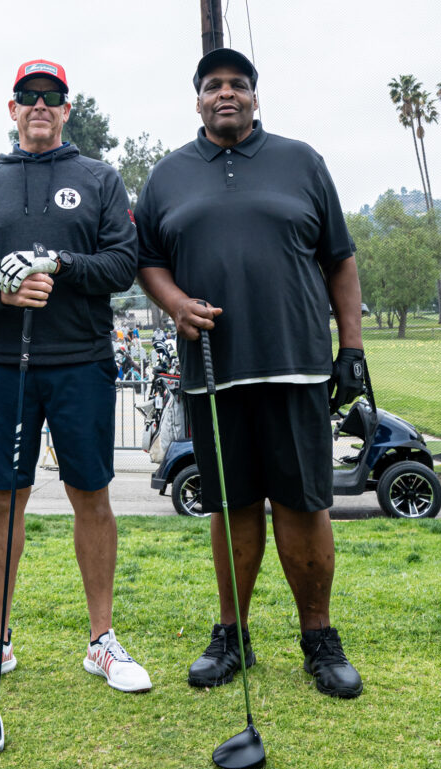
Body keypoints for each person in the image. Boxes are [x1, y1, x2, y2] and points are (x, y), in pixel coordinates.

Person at [136, 48, 364, 699]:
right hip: (213, 372)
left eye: (238, 83)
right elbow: (149, 258)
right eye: (213, 85)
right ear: (199, 99)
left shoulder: (302, 162)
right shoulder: (168, 175)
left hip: (295, 366)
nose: (226, 93)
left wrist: (350, 347)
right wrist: (173, 302)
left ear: (255, 96)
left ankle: (319, 637)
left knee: (304, 504)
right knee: (230, 506)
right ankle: (232, 636)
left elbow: (340, 260)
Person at [0, 58, 151, 695]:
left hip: (81, 361)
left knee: (91, 494)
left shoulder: (99, 179)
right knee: (6, 497)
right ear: (12, 110)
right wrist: (1, 296)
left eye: (51, 97)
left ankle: (101, 641)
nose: (40, 106)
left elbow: (122, 264)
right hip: (4, 364)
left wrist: (59, 263)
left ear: (67, 109)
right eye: (28, 97)